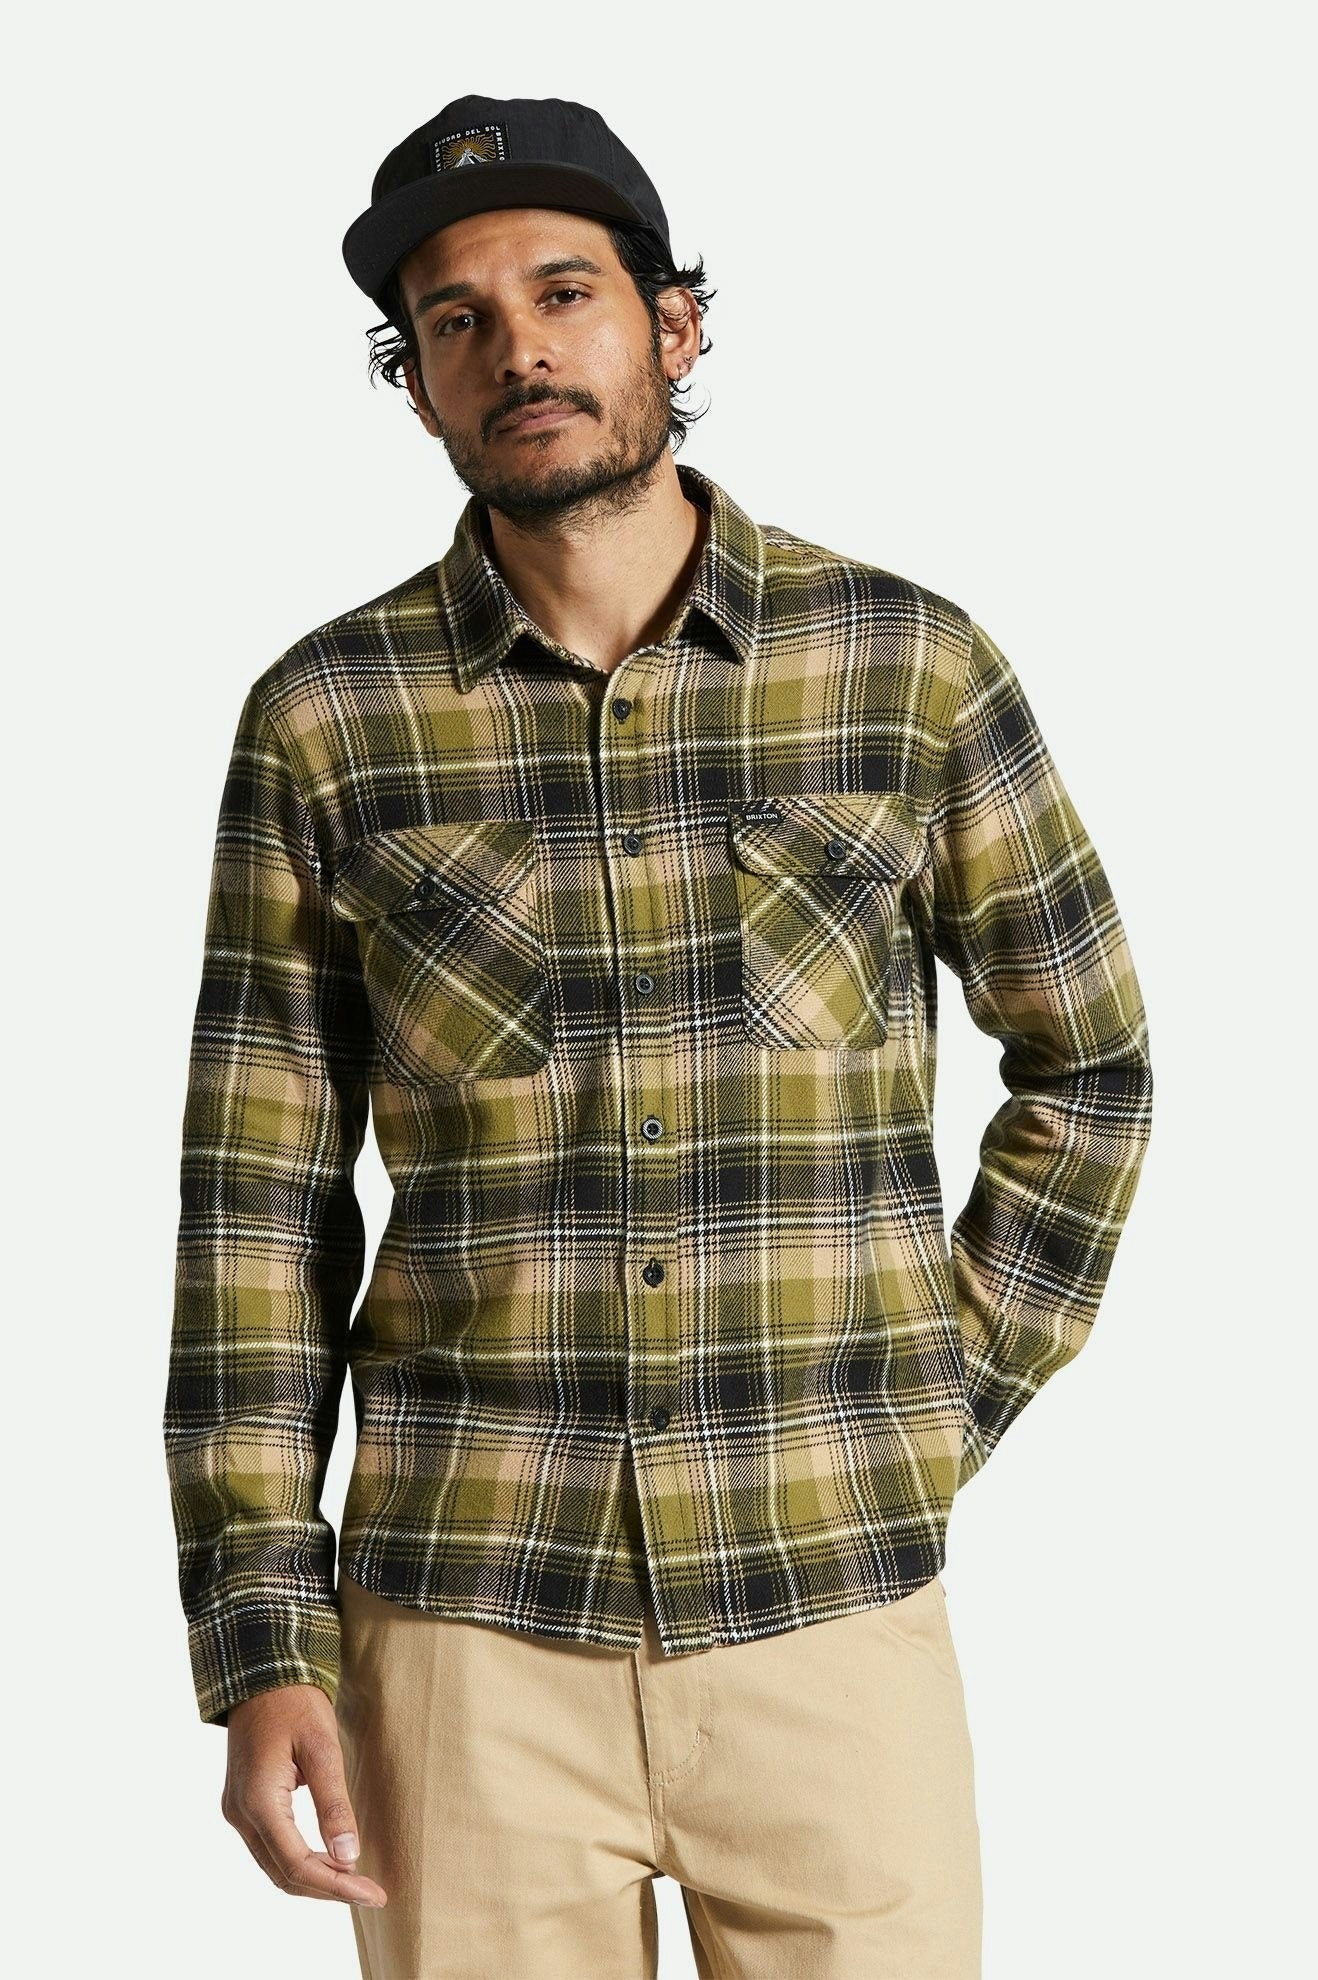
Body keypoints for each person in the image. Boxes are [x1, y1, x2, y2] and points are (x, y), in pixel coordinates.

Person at [163, 92, 1154, 1980]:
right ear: (417, 384)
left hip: (830, 1607)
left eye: (564, 293)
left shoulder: (906, 669)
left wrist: (935, 1395)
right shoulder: (327, 719)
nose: (516, 349)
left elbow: (1089, 1068)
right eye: (455, 320)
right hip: (461, 1627)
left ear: (671, 326)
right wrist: (260, 1633)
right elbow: (256, 1206)